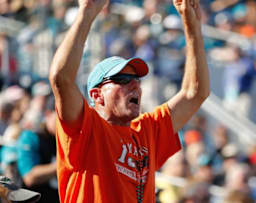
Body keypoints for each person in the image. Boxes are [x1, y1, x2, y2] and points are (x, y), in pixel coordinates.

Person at [48, 0, 209, 202]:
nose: (135, 86)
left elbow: (195, 93)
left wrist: (192, 25)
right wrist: (86, 12)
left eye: (136, 80)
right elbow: (61, 79)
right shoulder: (85, 127)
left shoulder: (147, 130)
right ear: (97, 96)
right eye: (122, 80)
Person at [16, 95, 59, 203]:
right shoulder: (31, 136)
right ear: (48, 114)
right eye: (61, 117)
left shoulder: (66, 138)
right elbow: (29, 176)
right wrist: (63, 165)